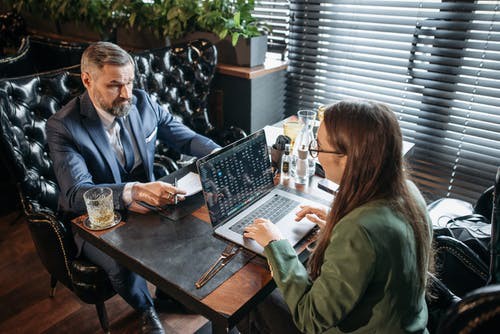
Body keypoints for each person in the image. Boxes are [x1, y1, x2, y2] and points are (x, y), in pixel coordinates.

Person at [46, 42, 220, 334]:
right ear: (87, 80)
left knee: (196, 225)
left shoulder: (142, 102)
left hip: (147, 205)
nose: (126, 93)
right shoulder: (64, 127)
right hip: (96, 220)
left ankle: (167, 296)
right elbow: (77, 194)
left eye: (129, 82)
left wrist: (218, 155)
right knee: (121, 262)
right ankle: (146, 309)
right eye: (114, 85)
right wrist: (133, 192)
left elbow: (186, 139)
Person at [241, 100, 433, 333]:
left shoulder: (359, 230)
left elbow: (309, 318)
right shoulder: (409, 192)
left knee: (252, 295)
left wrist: (275, 244)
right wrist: (337, 222)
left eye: (318, 147)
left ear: (347, 158)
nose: (315, 156)